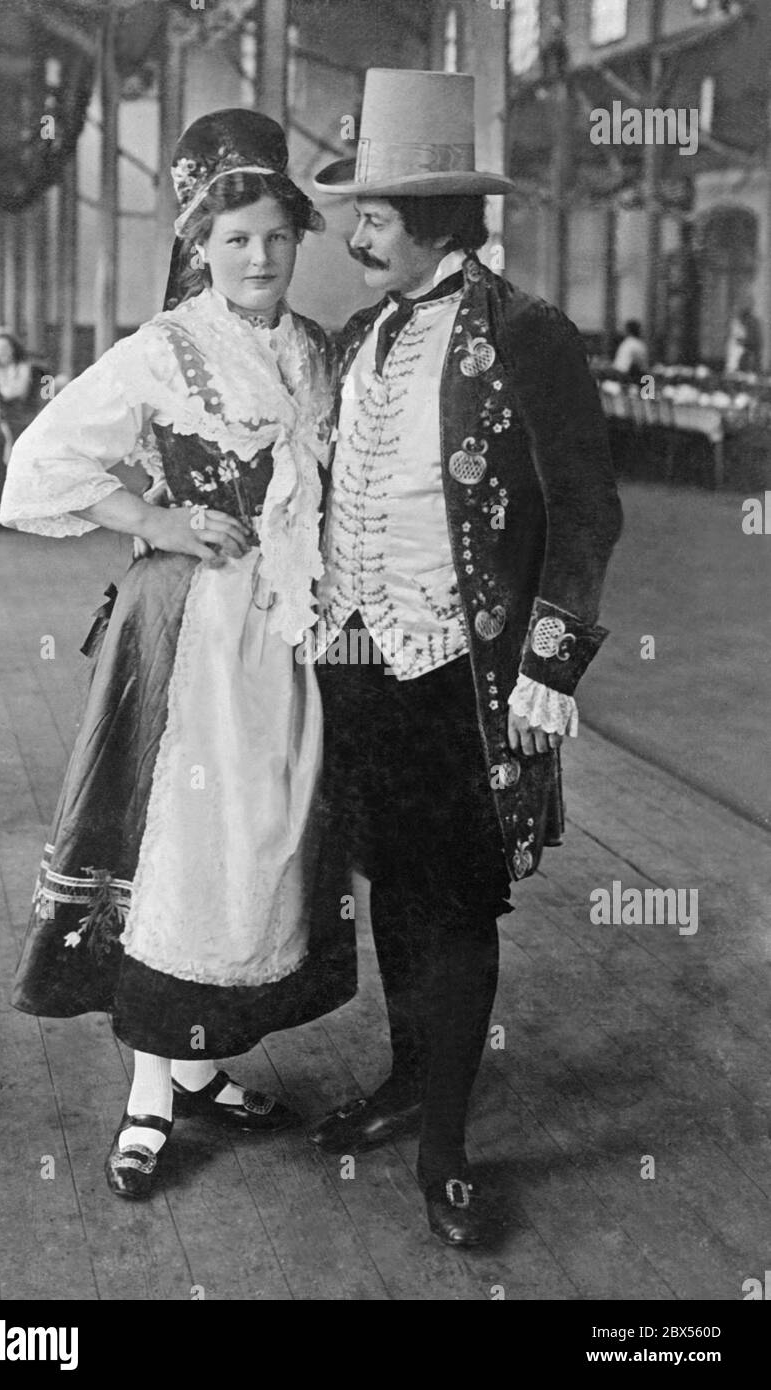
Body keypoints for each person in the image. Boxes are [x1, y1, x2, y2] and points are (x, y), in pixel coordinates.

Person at [0, 110, 355, 1200]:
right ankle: (149, 1092)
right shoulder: (163, 352)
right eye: (235, 238)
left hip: (290, 638)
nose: (257, 257)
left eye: (275, 238)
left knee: (264, 852)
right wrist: (155, 521)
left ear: (299, 242)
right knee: (180, 852)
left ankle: (201, 1063)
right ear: (199, 244)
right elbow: (36, 468)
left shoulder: (313, 351)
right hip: (191, 633)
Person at [306, 69, 622, 1247]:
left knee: (455, 906)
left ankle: (446, 1147)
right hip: (360, 662)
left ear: (437, 214)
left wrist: (548, 668)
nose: (353, 231)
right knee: (390, 878)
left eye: (374, 212)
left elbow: (584, 510)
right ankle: (401, 1080)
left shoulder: (526, 335)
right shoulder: (359, 335)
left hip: (466, 678)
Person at [0, 326, 47, 442]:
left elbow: (15, 392)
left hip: (20, 412)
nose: (1, 352)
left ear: (13, 349)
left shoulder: (23, 367)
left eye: (5, 347)